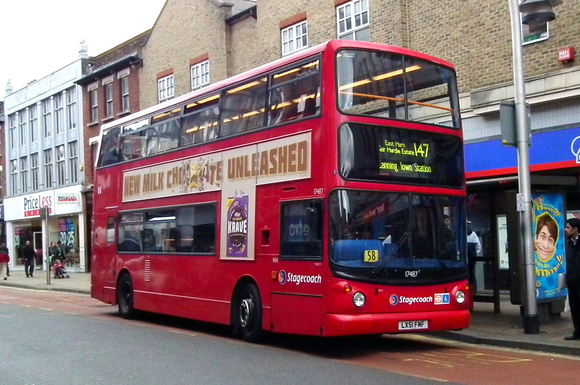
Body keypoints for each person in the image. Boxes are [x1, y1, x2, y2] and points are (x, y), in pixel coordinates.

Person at [564, 217, 580, 340]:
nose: (566, 230)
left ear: (575, 229)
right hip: (572, 281)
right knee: (574, 307)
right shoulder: (570, 242)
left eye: (568, 227)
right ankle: (577, 331)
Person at [467, 221, 481, 288]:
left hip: (471, 256)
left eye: (468, 224)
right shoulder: (461, 233)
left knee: (472, 272)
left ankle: (473, 287)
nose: (467, 226)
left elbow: (478, 245)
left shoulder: (473, 234)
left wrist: (475, 254)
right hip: (465, 256)